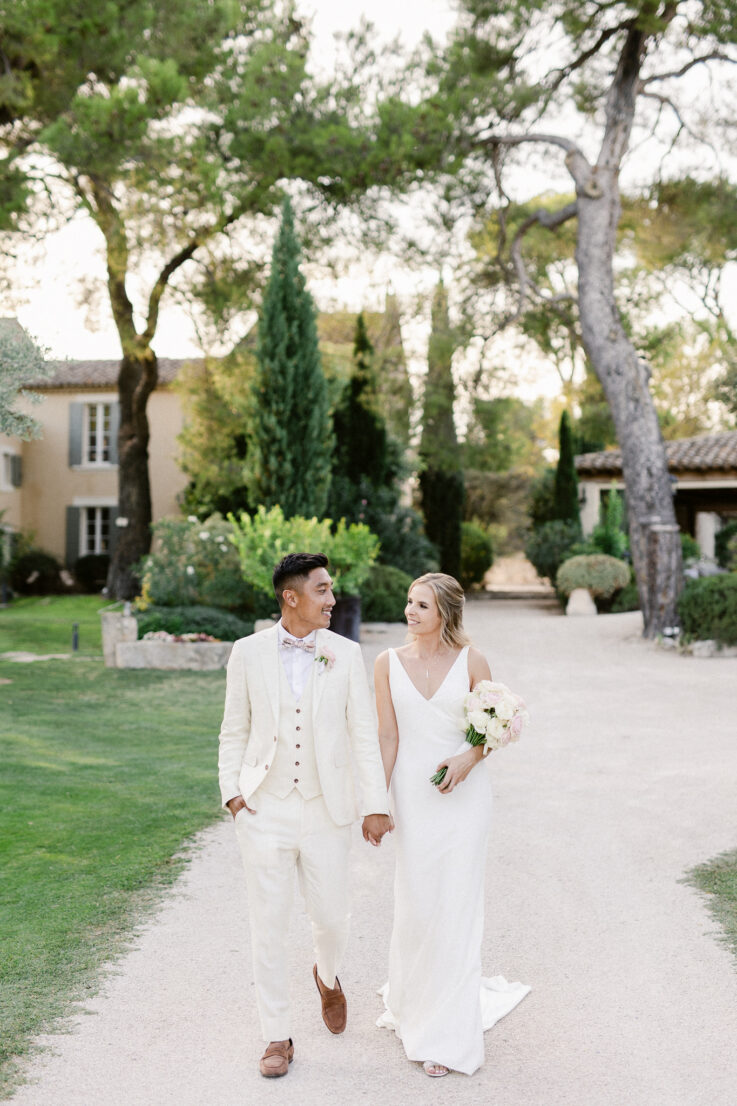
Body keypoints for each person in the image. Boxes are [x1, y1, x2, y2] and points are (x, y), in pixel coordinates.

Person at [218, 552, 392, 1078]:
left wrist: (376, 805)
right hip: (264, 808)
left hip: (326, 808)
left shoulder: (346, 653)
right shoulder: (246, 653)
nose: (332, 600)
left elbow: (363, 733)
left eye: (331, 590)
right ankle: (276, 1036)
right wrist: (234, 796)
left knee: (332, 918)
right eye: (322, 591)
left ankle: (328, 974)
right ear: (290, 597)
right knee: (267, 926)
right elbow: (234, 730)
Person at [374, 572, 529, 1077]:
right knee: (418, 903)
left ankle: (445, 1036)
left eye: (422, 605)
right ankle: (412, 1001)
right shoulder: (386, 664)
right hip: (414, 800)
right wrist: (378, 799)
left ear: (445, 613)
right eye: (409, 602)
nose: (410, 611)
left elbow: (492, 728)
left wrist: (468, 759)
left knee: (457, 907)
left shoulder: (472, 661)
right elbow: (388, 738)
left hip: (464, 801)